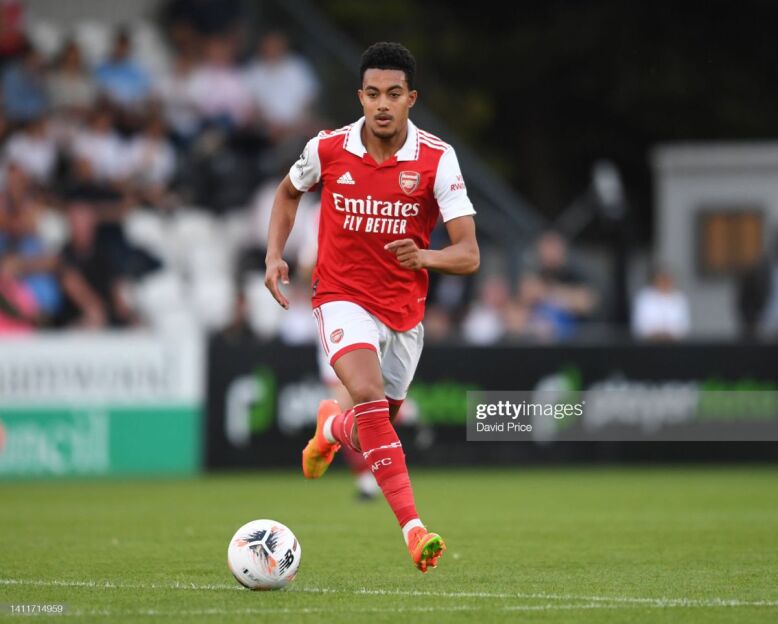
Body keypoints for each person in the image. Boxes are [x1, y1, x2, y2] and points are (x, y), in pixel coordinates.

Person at [265, 42, 479, 573]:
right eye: (373, 94)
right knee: (365, 393)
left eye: (394, 94)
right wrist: (274, 255)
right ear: (360, 96)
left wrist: (425, 256)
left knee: (370, 427)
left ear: (412, 98)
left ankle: (330, 430)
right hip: (341, 296)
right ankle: (414, 529)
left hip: (404, 312)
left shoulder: (437, 159)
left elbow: (469, 254)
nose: (383, 104)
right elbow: (288, 193)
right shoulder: (328, 148)